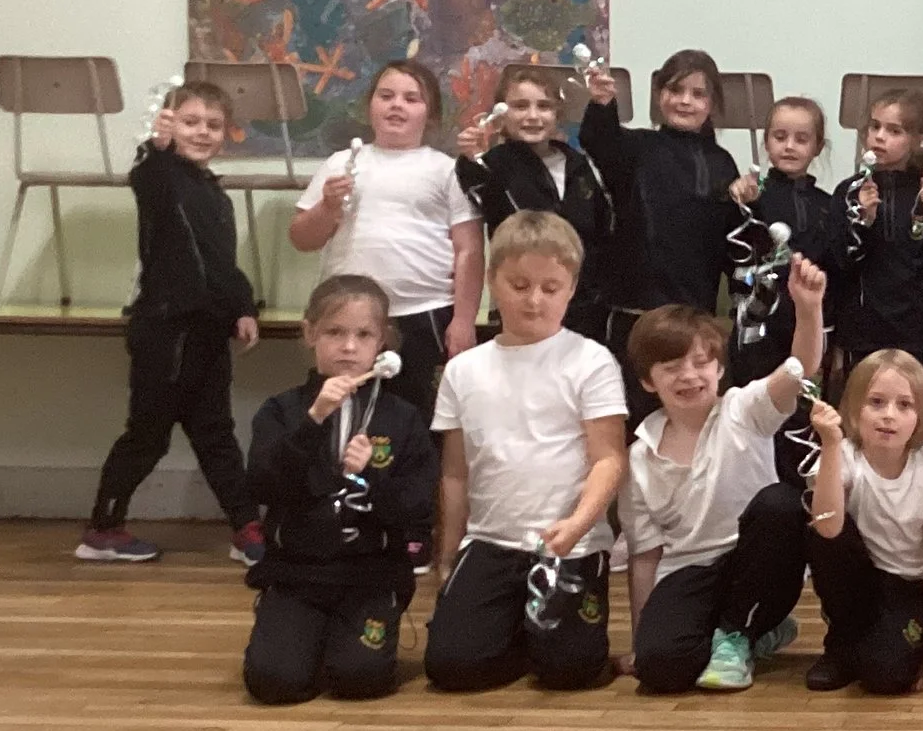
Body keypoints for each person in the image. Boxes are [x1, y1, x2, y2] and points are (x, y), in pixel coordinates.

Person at [422, 212, 628, 692]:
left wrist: (577, 525)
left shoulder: (591, 360)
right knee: (451, 667)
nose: (534, 300)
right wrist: (448, 556)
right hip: (492, 542)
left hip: (569, 545)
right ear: (492, 281)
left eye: (550, 288)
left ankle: (544, 637)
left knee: (570, 672)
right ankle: (517, 630)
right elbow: (455, 473)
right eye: (519, 286)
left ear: (571, 288)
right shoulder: (463, 371)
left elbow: (609, 459)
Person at [622, 255, 827, 696]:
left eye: (700, 363)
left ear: (718, 368)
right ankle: (753, 635)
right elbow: (645, 556)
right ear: (648, 381)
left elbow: (800, 367)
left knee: (780, 503)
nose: (689, 376)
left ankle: (739, 633)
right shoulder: (639, 455)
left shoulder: (743, 409)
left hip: (758, 564)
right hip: (689, 569)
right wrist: (641, 638)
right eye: (671, 367)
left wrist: (808, 308)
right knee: (659, 668)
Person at [79, 81, 262, 566]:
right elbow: (147, 174)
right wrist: (155, 147)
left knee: (216, 433)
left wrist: (243, 308)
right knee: (148, 435)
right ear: (170, 125)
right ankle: (103, 529)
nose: (202, 132)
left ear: (226, 133)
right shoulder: (160, 178)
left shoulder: (215, 196)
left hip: (207, 333)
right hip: (165, 330)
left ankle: (246, 527)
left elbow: (221, 265)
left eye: (213, 125)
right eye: (190, 122)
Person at [240, 275, 434, 704]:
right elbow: (263, 485)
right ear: (310, 334)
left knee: (360, 679)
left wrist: (372, 480)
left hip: (371, 577)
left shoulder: (402, 418)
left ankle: (346, 638)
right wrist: (314, 421)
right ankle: (296, 631)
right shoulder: (282, 411)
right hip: (298, 574)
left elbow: (418, 507)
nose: (348, 347)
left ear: (382, 342)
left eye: (363, 335)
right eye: (334, 332)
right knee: (274, 683)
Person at [290, 60, 482, 421]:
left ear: (430, 114)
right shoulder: (339, 163)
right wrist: (327, 207)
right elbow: (302, 239)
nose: (397, 105)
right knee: (341, 411)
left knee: (419, 417)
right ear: (370, 106)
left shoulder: (446, 170)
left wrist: (464, 319)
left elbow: (469, 249)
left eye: (411, 98)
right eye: (386, 96)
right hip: (347, 317)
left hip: (423, 314)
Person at [578, 49, 741, 421]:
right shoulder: (637, 147)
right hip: (635, 313)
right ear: (659, 95)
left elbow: (734, 238)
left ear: (712, 103)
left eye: (698, 94)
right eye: (675, 90)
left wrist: (751, 197)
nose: (685, 101)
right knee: (632, 414)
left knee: (688, 416)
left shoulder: (722, 163)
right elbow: (599, 141)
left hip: (692, 316)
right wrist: (602, 104)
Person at [803, 349, 923, 694]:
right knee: (821, 524)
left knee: (885, 676)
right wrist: (830, 444)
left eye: (904, 405)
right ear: (854, 408)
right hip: (859, 579)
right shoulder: (842, 455)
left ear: (920, 416)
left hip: (907, 587)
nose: (889, 415)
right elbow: (827, 526)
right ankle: (841, 645)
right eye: (876, 402)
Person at [455, 64, 614, 342]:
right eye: (520, 106)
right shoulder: (492, 166)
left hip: (587, 308)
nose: (533, 116)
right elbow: (493, 206)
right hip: (527, 306)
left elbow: (602, 231)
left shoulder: (579, 165)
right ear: (501, 115)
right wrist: (474, 160)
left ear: (557, 114)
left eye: (544, 106)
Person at [724, 94, 852, 387]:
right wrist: (739, 204)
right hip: (758, 326)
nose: (790, 146)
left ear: (818, 147)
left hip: (811, 327)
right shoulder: (751, 198)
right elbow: (732, 254)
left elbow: (837, 271)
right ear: (767, 142)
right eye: (780, 137)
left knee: (804, 405)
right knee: (752, 403)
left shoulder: (828, 205)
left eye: (801, 139)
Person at [832, 88, 923, 375]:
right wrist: (864, 221)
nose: (880, 137)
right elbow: (839, 263)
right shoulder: (848, 192)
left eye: (894, 131)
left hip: (916, 331)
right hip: (862, 331)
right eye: (875, 127)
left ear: (918, 141)